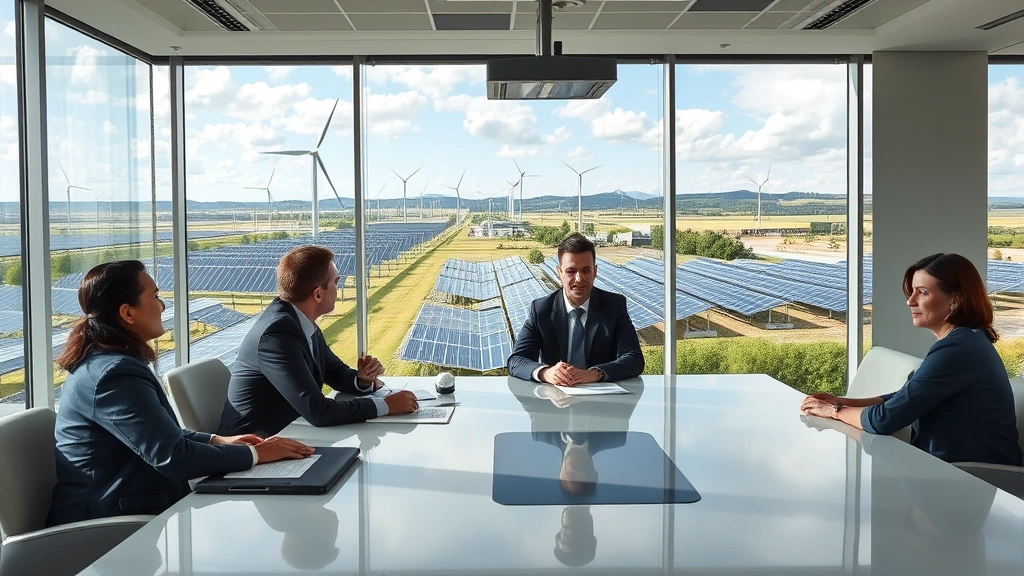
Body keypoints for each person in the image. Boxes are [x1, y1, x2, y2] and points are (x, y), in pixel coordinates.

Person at [47, 260, 313, 526]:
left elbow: (152, 433)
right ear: (128, 313)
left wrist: (217, 440)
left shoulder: (107, 363)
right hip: (105, 526)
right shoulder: (114, 375)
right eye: (155, 297)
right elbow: (171, 456)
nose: (162, 306)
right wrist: (258, 454)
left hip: (130, 509)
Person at [801, 253, 1022, 466]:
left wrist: (833, 412)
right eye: (912, 292)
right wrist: (843, 402)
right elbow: (905, 397)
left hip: (976, 479)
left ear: (955, 301)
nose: (910, 301)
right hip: (955, 472)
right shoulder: (966, 340)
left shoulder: (958, 349)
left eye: (922, 292)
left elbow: (884, 420)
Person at [219, 246, 417, 437]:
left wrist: (362, 380)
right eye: (336, 282)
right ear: (318, 293)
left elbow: (335, 372)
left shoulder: (298, 321)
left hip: (292, 433)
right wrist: (386, 405)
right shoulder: (277, 335)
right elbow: (318, 411)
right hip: (256, 449)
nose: (338, 289)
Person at [507, 233, 644, 385]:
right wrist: (546, 373)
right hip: (555, 400)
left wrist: (595, 373)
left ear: (595, 271)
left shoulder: (614, 306)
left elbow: (634, 359)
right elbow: (516, 361)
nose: (579, 279)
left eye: (586, 270)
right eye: (571, 271)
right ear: (559, 272)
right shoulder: (541, 310)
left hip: (603, 398)